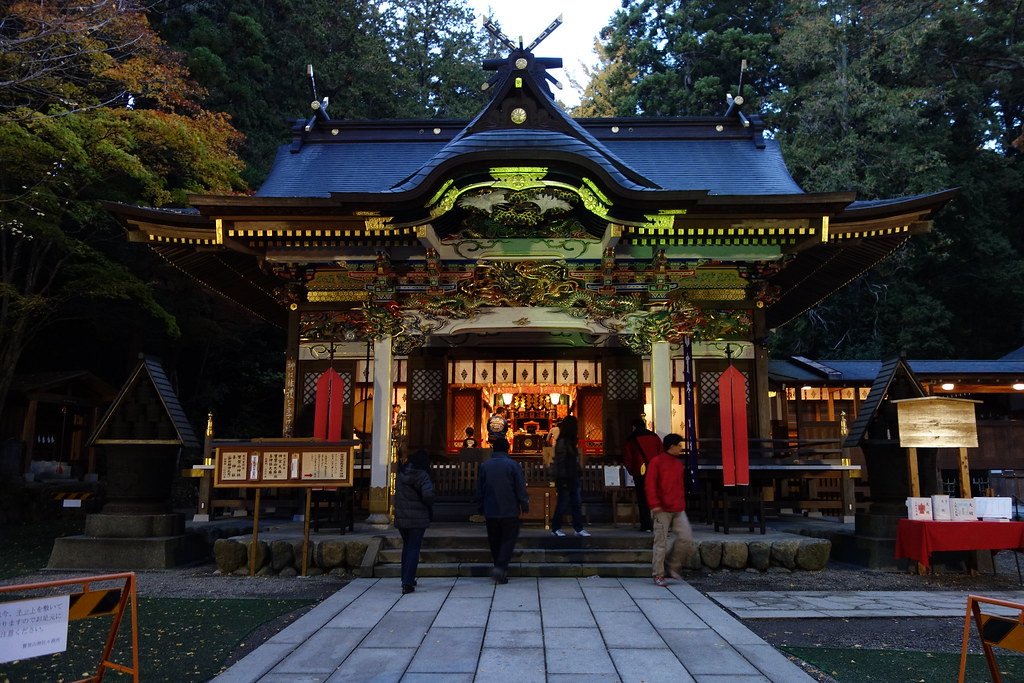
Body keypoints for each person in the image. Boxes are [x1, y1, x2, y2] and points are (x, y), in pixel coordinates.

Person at [475, 437, 529, 584]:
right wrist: (524, 503)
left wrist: (480, 506)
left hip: (491, 509)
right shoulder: (513, 465)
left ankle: (498, 567)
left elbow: (480, 489)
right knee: (509, 539)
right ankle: (501, 567)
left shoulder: (485, 466)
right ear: (507, 449)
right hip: (509, 508)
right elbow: (520, 487)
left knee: (494, 540)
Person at [645, 433, 693, 587]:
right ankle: (658, 574)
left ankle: (671, 565)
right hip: (662, 508)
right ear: (672, 446)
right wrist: (655, 505)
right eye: (679, 445)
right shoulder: (657, 462)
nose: (681, 448)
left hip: (678, 507)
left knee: (686, 537)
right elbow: (650, 485)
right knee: (660, 542)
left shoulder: (678, 464)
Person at [393, 450, 434, 594]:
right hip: (418, 517)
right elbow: (428, 494)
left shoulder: (401, 474)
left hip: (402, 516)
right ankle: (408, 582)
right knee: (414, 547)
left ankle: (406, 576)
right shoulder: (422, 475)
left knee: (407, 546)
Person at [549, 415, 590, 537]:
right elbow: (561, 462)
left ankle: (578, 528)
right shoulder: (563, 442)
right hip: (566, 477)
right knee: (564, 503)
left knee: (575, 503)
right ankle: (556, 528)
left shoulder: (568, 442)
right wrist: (563, 477)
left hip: (572, 476)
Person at [623, 417, 660, 532]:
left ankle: (646, 525)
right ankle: (661, 524)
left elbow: (628, 458)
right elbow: (661, 453)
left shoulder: (631, 439)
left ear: (634, 426)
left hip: (640, 472)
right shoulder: (654, 437)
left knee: (642, 498)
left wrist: (632, 470)